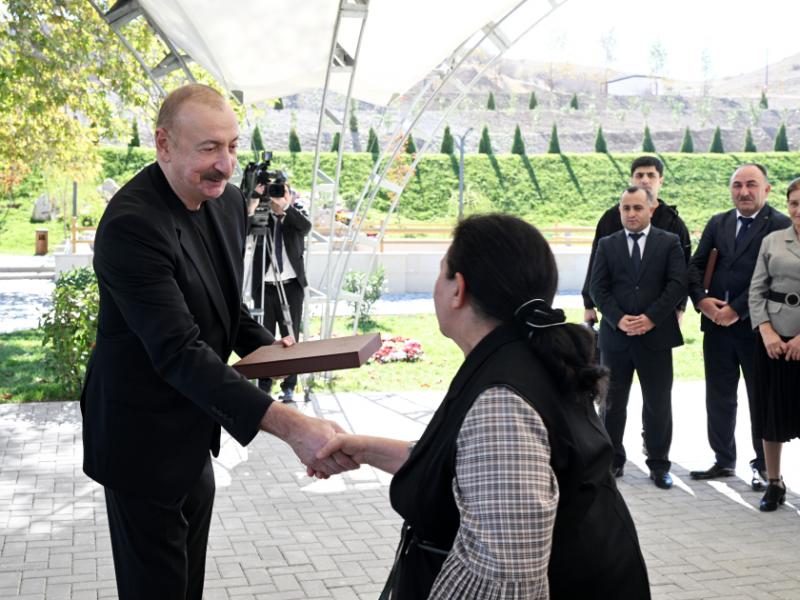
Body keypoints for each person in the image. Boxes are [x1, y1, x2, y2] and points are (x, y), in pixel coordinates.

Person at [80, 84, 354, 600]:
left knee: (188, 584)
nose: (226, 165)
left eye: (231, 146)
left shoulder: (225, 203)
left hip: (191, 433)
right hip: (138, 441)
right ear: (163, 143)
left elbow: (224, 305)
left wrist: (267, 343)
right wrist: (290, 425)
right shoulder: (132, 224)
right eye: (208, 148)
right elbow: (178, 349)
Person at [317, 214, 650, 599]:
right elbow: (472, 470)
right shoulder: (527, 359)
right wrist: (364, 449)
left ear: (458, 288)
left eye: (441, 274)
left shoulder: (503, 402)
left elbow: (507, 577)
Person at [688, 163, 791, 490]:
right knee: (718, 396)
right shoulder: (718, 222)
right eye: (737, 185)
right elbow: (696, 265)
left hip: (758, 329)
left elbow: (774, 277)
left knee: (759, 398)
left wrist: (737, 309)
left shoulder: (780, 226)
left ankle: (764, 466)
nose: (743, 192)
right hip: (716, 327)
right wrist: (703, 301)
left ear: (766, 189)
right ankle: (722, 459)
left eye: (751, 185)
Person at [590, 186, 687, 489]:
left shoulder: (669, 242)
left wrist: (650, 318)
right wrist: (619, 319)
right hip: (616, 340)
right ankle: (612, 461)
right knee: (612, 404)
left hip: (655, 338)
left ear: (650, 210)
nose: (631, 214)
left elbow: (677, 284)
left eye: (637, 208)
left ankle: (659, 465)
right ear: (620, 211)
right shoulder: (607, 244)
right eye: (626, 209)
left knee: (658, 403)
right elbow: (597, 287)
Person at [582, 155, 691, 326]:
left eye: (651, 175)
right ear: (631, 180)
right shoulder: (611, 218)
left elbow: (683, 270)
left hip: (659, 314)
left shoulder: (673, 222)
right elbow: (595, 262)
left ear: (660, 180)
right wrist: (588, 303)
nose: (645, 180)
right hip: (616, 311)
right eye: (639, 175)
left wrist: (680, 307)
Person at [748, 177, 800, 511]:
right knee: (770, 414)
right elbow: (757, 289)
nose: (798, 209)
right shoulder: (772, 240)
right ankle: (775, 482)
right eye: (794, 203)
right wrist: (766, 331)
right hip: (773, 342)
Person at [250, 187, 311, 402]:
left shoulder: (296, 214)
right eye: (274, 192)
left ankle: (289, 386)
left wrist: (285, 206)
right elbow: (246, 228)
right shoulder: (262, 216)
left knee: (290, 337)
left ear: (289, 195)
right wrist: (257, 199)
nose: (277, 195)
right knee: (264, 337)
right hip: (265, 287)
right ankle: (263, 385)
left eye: (282, 192)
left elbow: (306, 227)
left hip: (291, 287)